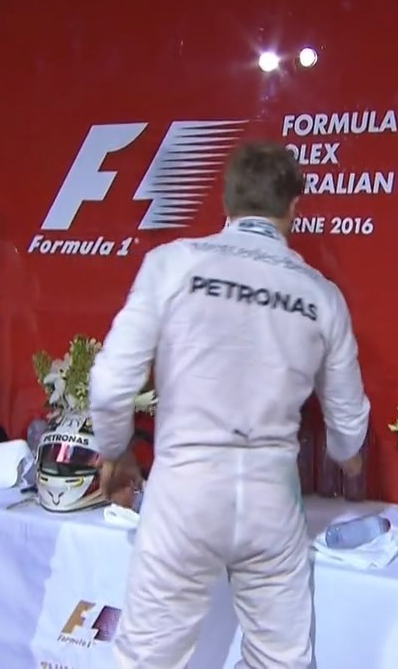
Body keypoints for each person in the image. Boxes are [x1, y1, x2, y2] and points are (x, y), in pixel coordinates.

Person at [89, 140, 371, 668]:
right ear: (294, 207)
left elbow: (108, 385)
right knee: (279, 660)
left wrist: (115, 450)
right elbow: (349, 423)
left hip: (184, 494)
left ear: (226, 200)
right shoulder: (320, 295)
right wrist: (346, 453)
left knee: (147, 660)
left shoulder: (171, 264)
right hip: (272, 500)